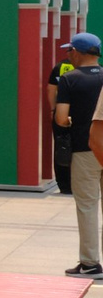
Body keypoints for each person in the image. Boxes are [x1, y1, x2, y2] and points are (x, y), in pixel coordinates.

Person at [57, 32, 103, 276]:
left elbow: (61, 117)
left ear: (78, 52)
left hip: (86, 149)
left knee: (87, 206)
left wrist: (72, 120)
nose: (68, 54)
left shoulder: (69, 79)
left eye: (69, 50)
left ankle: (90, 263)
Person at [50, 41, 80, 196]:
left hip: (63, 115)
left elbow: (51, 90)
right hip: (83, 117)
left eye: (69, 50)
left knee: (62, 148)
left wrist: (53, 110)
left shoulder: (60, 68)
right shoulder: (95, 71)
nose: (67, 53)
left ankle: (64, 185)